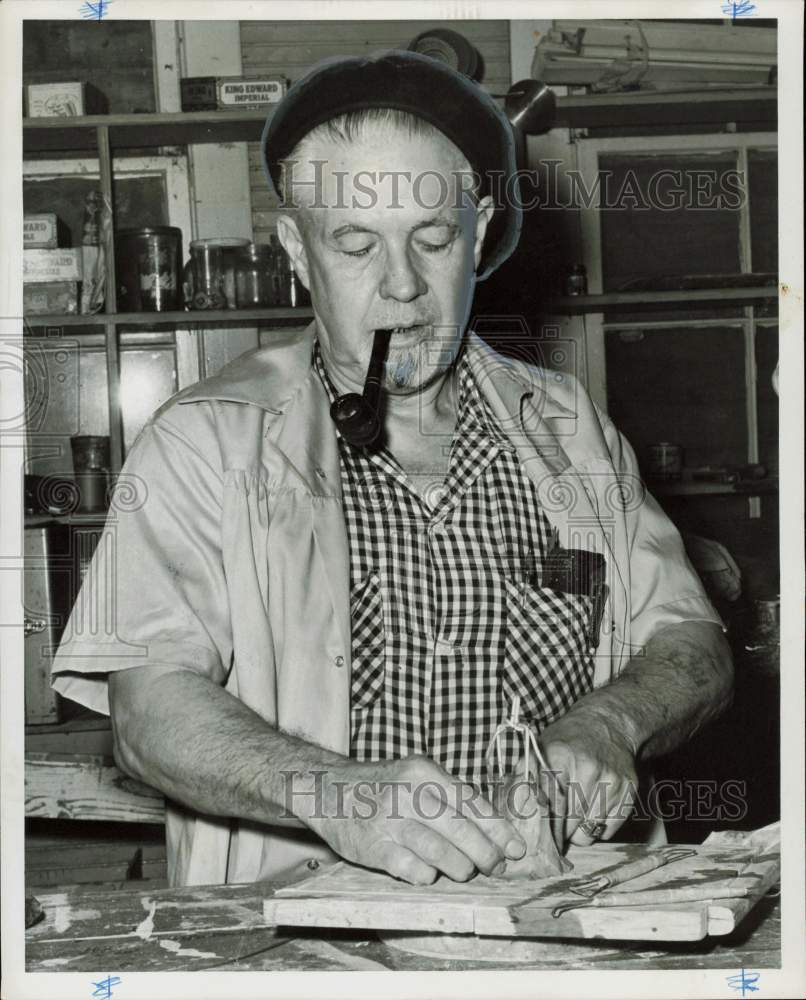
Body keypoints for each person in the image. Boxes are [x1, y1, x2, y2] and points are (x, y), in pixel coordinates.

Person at [51, 51, 732, 888]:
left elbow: (693, 644)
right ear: (297, 251)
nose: (402, 286)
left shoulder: (573, 431)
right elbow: (147, 712)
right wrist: (336, 794)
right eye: (355, 244)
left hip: (564, 921)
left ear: (479, 236)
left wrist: (612, 723)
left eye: (433, 239)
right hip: (307, 944)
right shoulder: (205, 441)